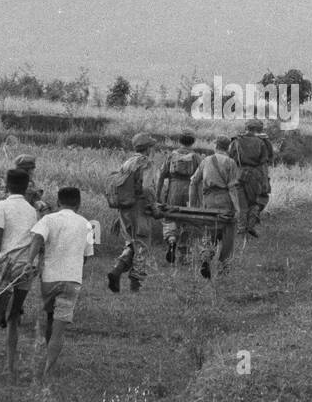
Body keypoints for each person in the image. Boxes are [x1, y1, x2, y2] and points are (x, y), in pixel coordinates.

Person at [20, 187, 93, 383]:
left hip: (49, 279)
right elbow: (86, 256)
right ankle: (49, 370)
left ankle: (44, 355)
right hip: (72, 280)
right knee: (59, 328)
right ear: (79, 204)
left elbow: (37, 239)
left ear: (58, 202)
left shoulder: (48, 219)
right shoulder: (86, 224)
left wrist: (30, 262)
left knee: (50, 317)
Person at [0, 168, 39, 377]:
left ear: (5, 184)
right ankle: (11, 368)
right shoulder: (31, 210)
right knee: (13, 317)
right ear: (26, 186)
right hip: (25, 266)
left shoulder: (0, 207)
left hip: (6, 265)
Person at [105, 133, 156, 294]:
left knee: (131, 243)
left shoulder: (127, 162)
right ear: (148, 148)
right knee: (142, 244)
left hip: (125, 208)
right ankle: (135, 284)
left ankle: (116, 270)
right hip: (139, 208)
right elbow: (147, 187)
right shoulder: (146, 162)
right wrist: (153, 205)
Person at [188, 137, 244, 279]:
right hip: (225, 199)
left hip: (209, 200)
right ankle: (224, 267)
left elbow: (193, 181)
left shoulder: (206, 161)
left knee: (209, 230)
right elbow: (232, 187)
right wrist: (237, 208)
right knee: (228, 232)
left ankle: (206, 257)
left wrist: (193, 204)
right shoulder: (230, 162)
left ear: (215, 145)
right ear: (228, 147)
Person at [156, 131, 202, 265]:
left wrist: (158, 195)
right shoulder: (196, 157)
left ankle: (171, 239)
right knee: (188, 220)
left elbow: (161, 176)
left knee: (170, 217)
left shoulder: (171, 156)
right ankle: (184, 254)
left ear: (179, 141)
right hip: (190, 191)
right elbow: (201, 178)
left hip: (173, 190)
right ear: (193, 142)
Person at [229, 120, 272, 237]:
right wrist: (265, 180)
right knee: (255, 201)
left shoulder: (236, 140)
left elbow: (231, 157)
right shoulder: (262, 142)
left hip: (238, 174)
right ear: (259, 129)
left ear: (246, 128)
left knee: (241, 203)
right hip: (255, 175)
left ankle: (241, 228)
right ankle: (251, 225)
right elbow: (265, 161)